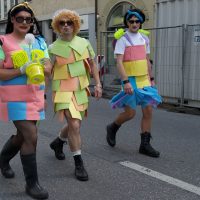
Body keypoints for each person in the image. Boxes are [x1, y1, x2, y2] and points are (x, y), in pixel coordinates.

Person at [0, 2, 51, 199]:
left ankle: (3, 159)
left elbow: (48, 68)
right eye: (19, 18)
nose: (24, 22)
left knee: (22, 136)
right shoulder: (3, 41)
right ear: (12, 20)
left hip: (35, 96)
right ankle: (32, 184)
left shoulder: (39, 42)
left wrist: (43, 66)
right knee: (31, 134)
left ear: (31, 22)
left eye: (27, 19)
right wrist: (20, 70)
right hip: (13, 98)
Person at [48, 9, 102, 181]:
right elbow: (47, 71)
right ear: (57, 26)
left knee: (75, 123)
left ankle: (58, 141)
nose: (65, 26)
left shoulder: (84, 43)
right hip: (62, 89)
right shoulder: (52, 48)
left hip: (80, 89)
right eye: (62, 23)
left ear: (75, 25)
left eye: (69, 22)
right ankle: (79, 163)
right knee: (75, 125)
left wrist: (98, 84)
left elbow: (93, 65)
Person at [106, 8, 162, 157]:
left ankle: (145, 144)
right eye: (131, 21)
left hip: (144, 79)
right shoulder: (122, 39)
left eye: (137, 21)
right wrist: (126, 82)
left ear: (141, 22)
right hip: (130, 80)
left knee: (148, 110)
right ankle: (113, 127)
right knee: (130, 113)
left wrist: (151, 78)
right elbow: (119, 62)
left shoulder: (144, 39)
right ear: (127, 23)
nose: (134, 23)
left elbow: (146, 60)